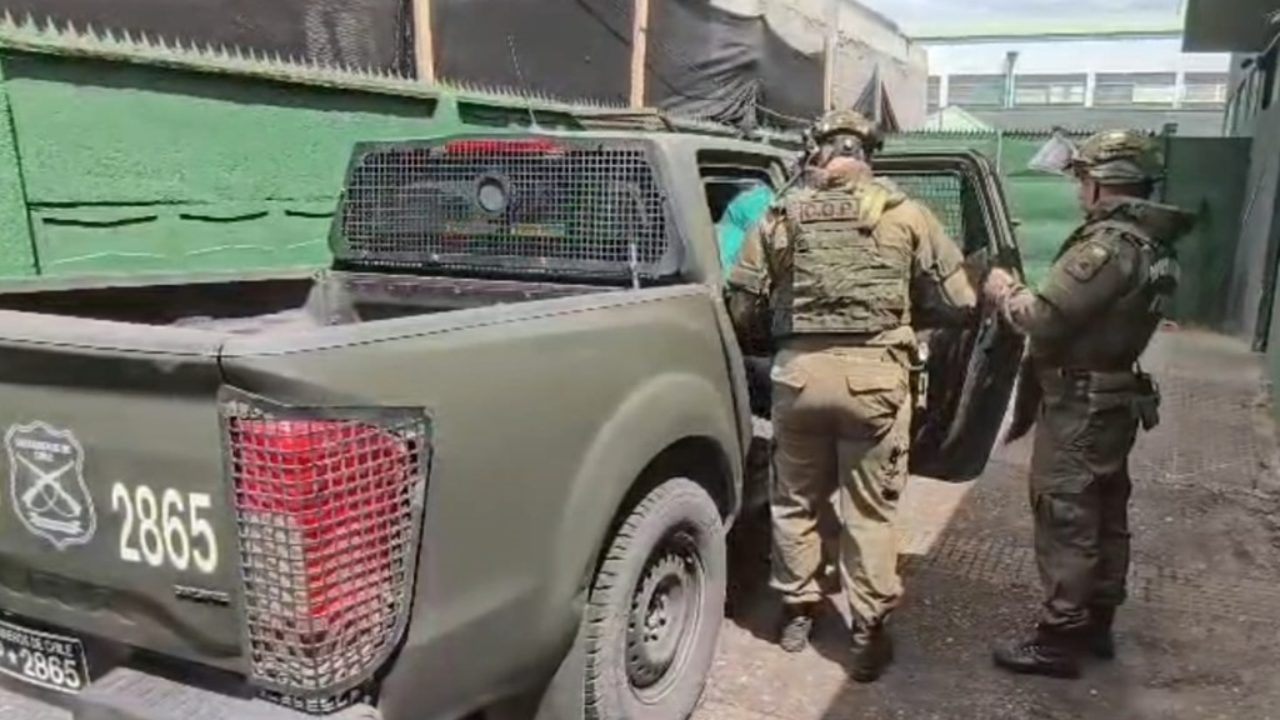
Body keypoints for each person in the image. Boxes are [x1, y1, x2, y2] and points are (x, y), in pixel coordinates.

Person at [724, 109, 978, 682]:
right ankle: (866, 633)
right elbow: (962, 302)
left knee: (796, 501)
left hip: (799, 379)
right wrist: (908, 317)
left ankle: (798, 612)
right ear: (868, 155)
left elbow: (742, 306)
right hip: (877, 382)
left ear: (818, 151)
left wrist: (779, 336)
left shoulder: (781, 215)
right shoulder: (905, 213)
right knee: (870, 510)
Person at [984, 130, 1196, 679]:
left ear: (1105, 182)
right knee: (1104, 511)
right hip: (1112, 397)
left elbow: (1043, 318)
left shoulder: (1106, 248)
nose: (1079, 189)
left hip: (1080, 403)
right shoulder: (1152, 244)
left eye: (1083, 178)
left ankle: (1058, 640)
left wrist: (1005, 290)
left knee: (1066, 514)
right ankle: (1097, 621)